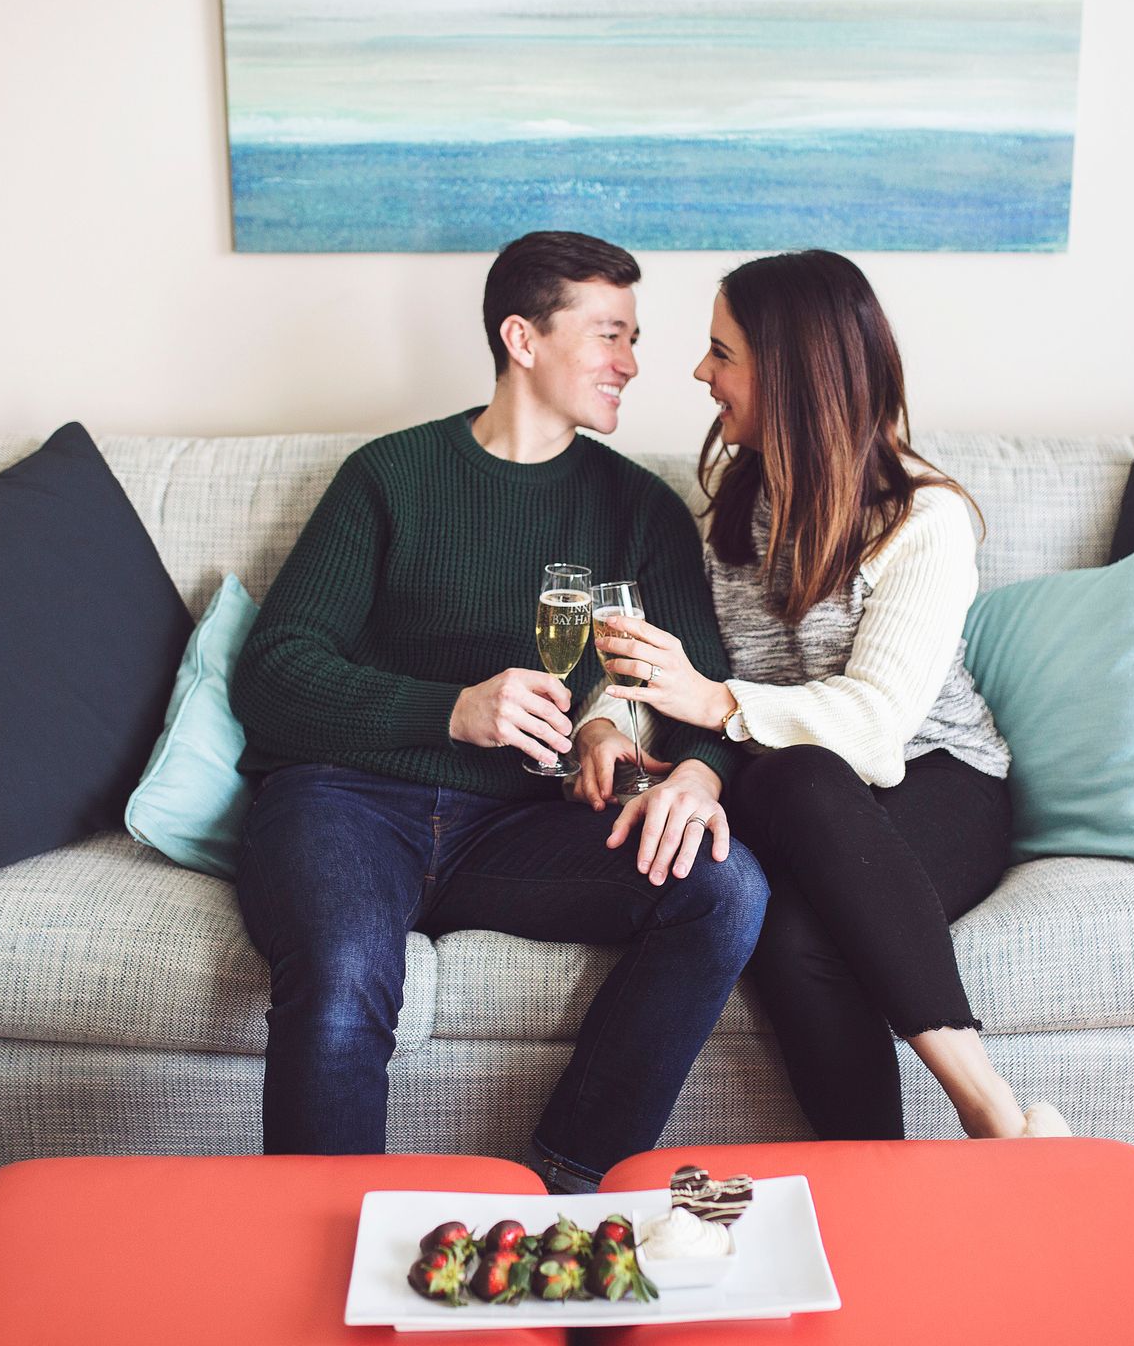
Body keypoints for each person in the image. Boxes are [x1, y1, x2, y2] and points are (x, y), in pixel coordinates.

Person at [227, 231, 766, 1194]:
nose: (631, 363)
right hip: (346, 806)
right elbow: (272, 674)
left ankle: (563, 1190)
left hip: (520, 826)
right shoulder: (390, 477)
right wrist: (451, 710)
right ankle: (321, 1248)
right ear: (523, 338)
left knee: (724, 889)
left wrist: (688, 771)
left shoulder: (640, 509)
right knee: (345, 972)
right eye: (608, 334)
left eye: (633, 338)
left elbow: (700, 694)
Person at [573, 250, 1069, 1142]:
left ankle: (983, 1111)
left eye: (722, 353)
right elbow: (668, 666)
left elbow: (877, 729)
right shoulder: (730, 512)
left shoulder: (922, 519)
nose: (700, 373)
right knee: (791, 807)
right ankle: (926, 1166)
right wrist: (607, 723)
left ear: (791, 372)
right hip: (787, 788)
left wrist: (717, 704)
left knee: (798, 919)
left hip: (936, 775)